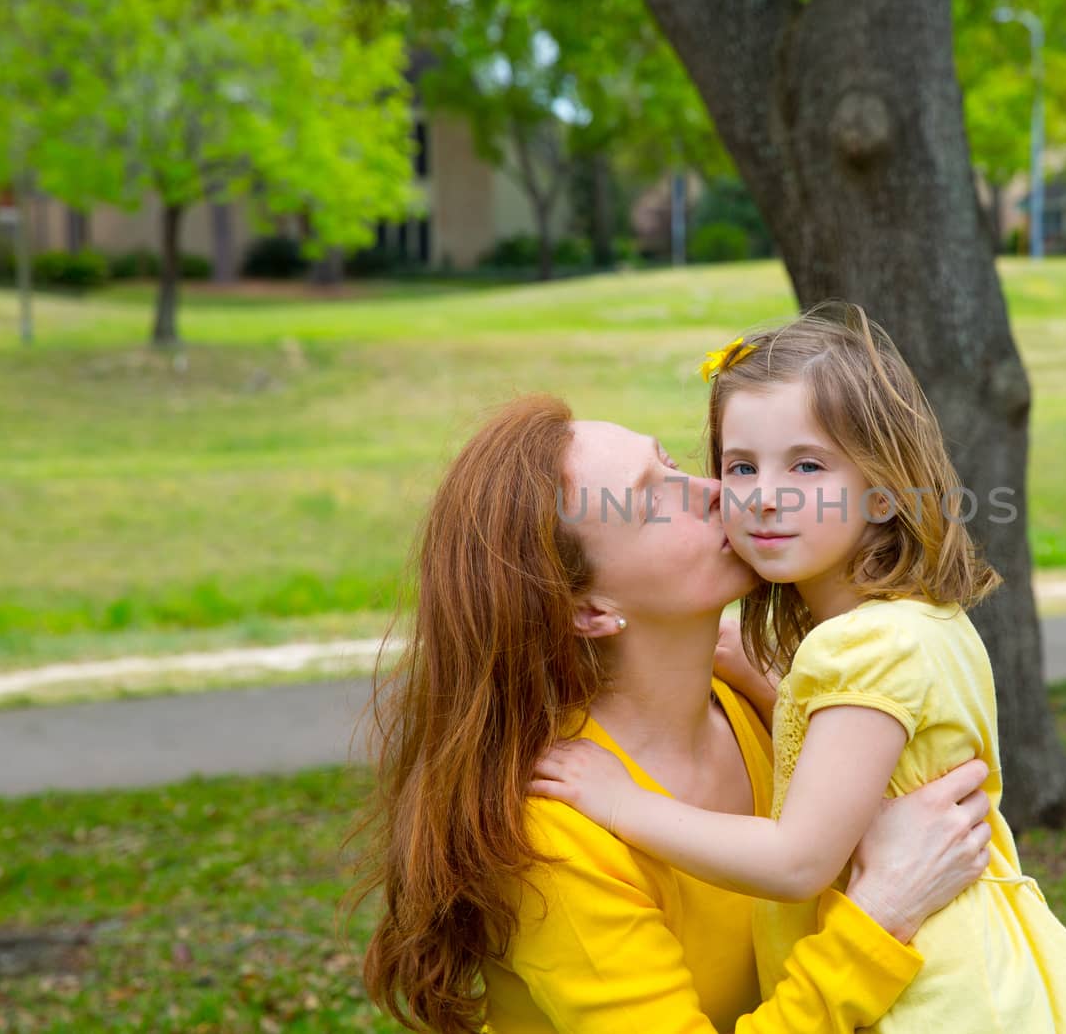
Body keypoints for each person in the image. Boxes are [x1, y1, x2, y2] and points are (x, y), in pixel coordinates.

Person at [354, 392, 997, 1034]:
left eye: (672, 462)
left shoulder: (758, 702)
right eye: (652, 499)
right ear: (588, 611)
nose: (718, 492)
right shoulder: (557, 832)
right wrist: (883, 912)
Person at [534, 306, 1066, 1032]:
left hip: (929, 1001)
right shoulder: (918, 623)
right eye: (740, 466)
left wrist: (624, 804)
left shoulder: (856, 649)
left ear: (885, 490)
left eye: (806, 465)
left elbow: (798, 859)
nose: (761, 494)